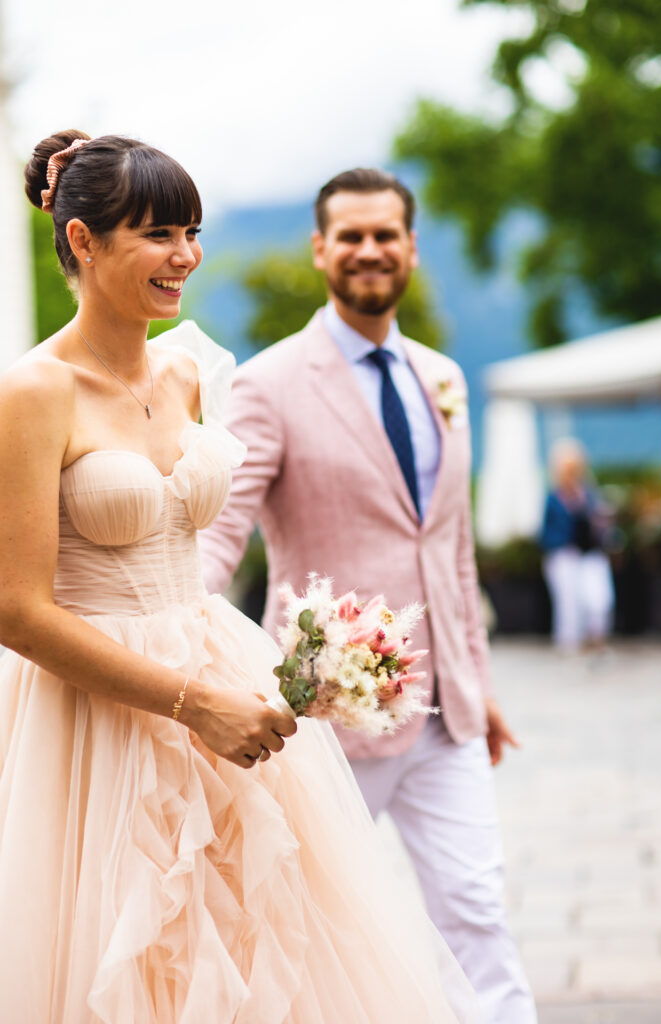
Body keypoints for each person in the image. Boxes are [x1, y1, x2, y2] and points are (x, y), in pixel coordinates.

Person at [0, 133, 481, 1023]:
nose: (185, 256)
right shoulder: (33, 393)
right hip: (98, 715)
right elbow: (18, 613)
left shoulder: (186, 371)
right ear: (81, 242)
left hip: (221, 667)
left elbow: (199, 544)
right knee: (127, 958)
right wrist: (195, 703)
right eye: (156, 234)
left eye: (190, 231)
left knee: (264, 952)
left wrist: (285, 666)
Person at [200, 168, 537, 1024]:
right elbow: (218, 534)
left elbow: (450, 549)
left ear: (411, 248)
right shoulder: (267, 384)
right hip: (326, 719)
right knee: (305, 930)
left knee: (477, 910)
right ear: (320, 250)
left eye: (385, 234)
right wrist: (182, 658)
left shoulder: (442, 378)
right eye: (349, 235)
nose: (368, 250)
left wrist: (477, 681)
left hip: (444, 717)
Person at [540, 437, 615, 652]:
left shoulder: (589, 495)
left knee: (598, 599)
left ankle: (595, 637)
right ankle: (570, 641)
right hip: (564, 556)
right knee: (568, 602)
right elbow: (546, 533)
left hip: (589, 555)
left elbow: (599, 525)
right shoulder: (553, 498)